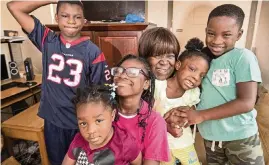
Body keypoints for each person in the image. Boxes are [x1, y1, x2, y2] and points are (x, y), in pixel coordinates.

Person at [7, 1, 109, 164]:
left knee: (83, 161)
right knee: (57, 161)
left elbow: (102, 92)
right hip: (53, 121)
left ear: (84, 21)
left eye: (77, 17)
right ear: (56, 18)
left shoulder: (93, 52)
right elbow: (14, 7)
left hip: (80, 122)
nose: (71, 21)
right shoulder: (48, 40)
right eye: (65, 16)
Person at [176, 4, 265, 165]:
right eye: (211, 33)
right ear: (206, 31)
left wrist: (200, 115)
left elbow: (246, 102)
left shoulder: (243, 57)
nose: (217, 41)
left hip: (241, 138)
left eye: (226, 35)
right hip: (211, 138)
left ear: (239, 35)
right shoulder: (203, 60)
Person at [154, 38, 210, 165]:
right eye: (192, 69)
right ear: (178, 65)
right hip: (160, 146)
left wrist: (186, 114)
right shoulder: (158, 87)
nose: (196, 78)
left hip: (184, 143)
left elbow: (193, 113)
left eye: (202, 75)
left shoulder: (193, 93)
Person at [111, 54, 170, 165]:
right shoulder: (104, 111)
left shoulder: (155, 121)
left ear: (146, 84)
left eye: (133, 72)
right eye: (118, 71)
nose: (122, 76)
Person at [62, 85, 142, 165]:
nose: (90, 131)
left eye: (99, 121)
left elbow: (137, 162)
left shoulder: (126, 144)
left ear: (112, 115)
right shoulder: (78, 141)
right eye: (83, 123)